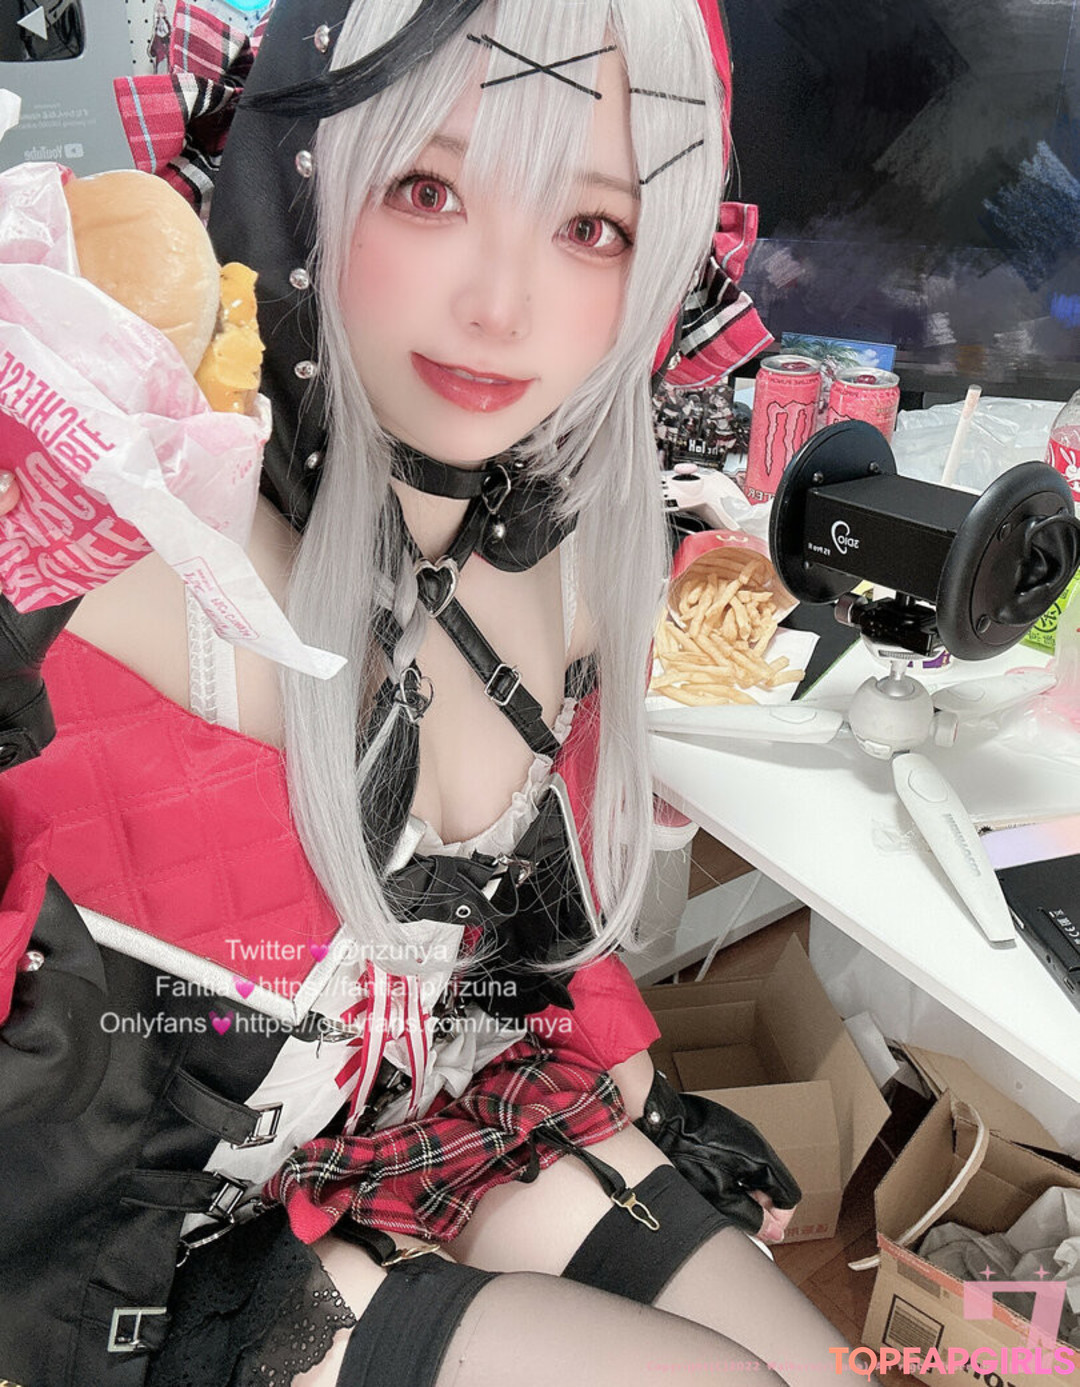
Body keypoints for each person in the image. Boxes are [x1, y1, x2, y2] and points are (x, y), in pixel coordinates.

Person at [0, 1, 858, 1383]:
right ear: (296, 177)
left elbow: (524, 936)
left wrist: (630, 1082)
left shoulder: (571, 563)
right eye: (427, 190)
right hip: (146, 1248)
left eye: (594, 226)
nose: (501, 307)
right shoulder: (143, 550)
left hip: (433, 1109)